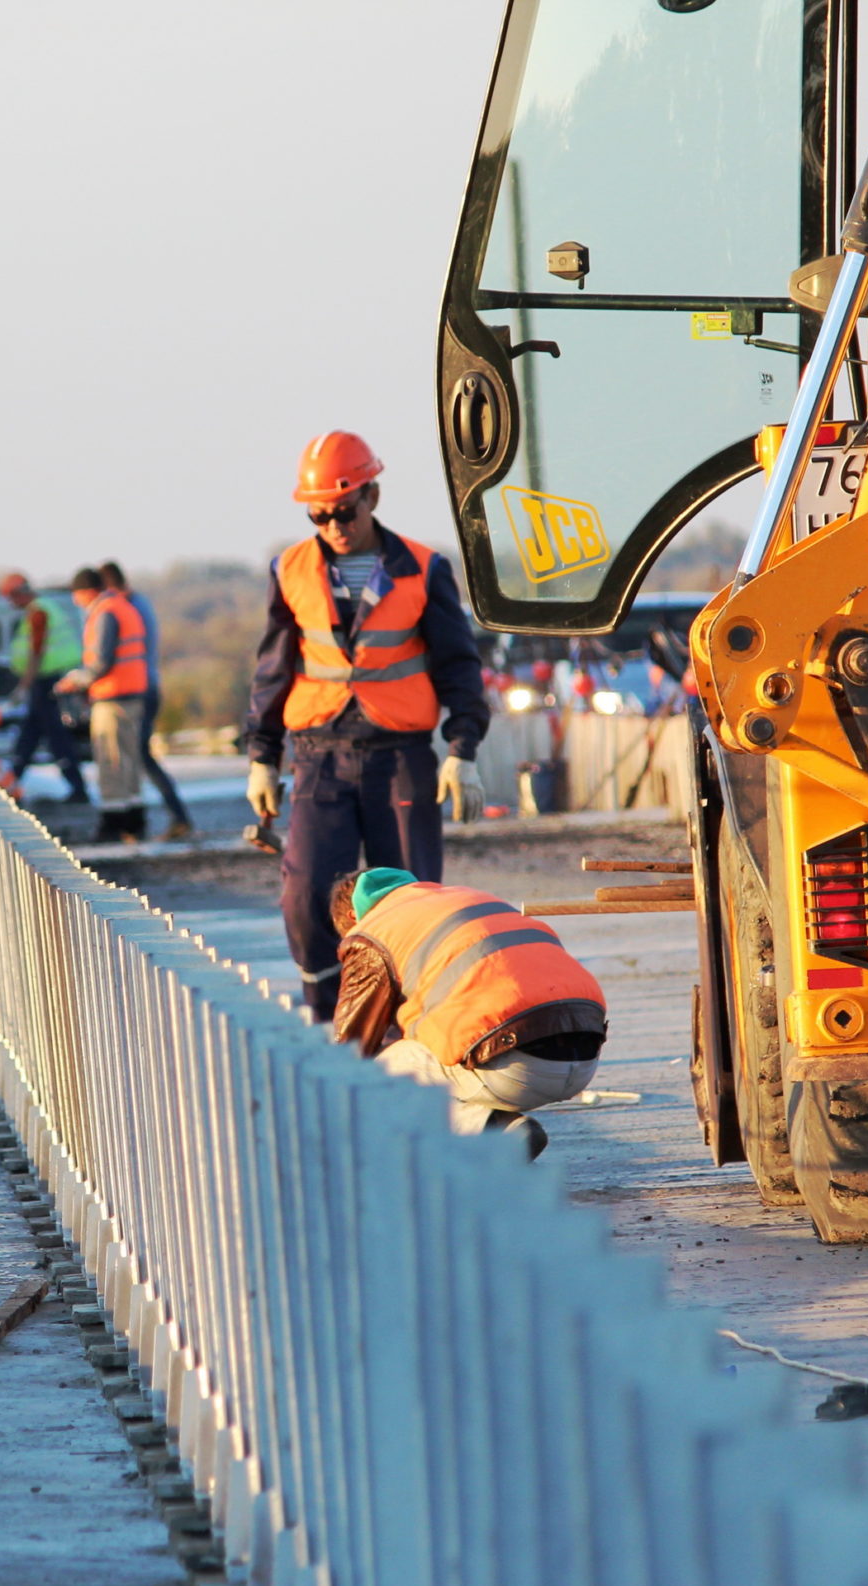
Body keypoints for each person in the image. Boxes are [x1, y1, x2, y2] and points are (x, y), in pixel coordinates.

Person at [245, 431, 493, 1018]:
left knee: (407, 898)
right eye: (319, 513)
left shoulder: (424, 568)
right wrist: (260, 755)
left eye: (344, 510)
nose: (333, 524)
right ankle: (332, 1015)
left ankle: (403, 1019)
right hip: (319, 756)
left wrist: (463, 749)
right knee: (305, 896)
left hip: (399, 759)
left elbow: (459, 664)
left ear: (372, 496)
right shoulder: (291, 570)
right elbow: (273, 668)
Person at [329, 867, 607, 1153]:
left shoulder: (372, 931)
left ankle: (493, 1131)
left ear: (353, 917)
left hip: (515, 1066)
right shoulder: (470, 899)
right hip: (586, 1056)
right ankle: (503, 1128)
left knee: (380, 1071)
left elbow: (349, 1049)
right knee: (442, 1035)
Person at [97, 561, 194, 839]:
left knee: (140, 756)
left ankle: (174, 816)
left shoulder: (127, 609)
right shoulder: (139, 604)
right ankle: (157, 819)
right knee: (139, 755)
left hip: (139, 690)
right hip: (146, 686)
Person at [55, 566, 152, 843]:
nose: (75, 601)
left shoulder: (105, 612)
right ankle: (134, 819)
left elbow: (100, 662)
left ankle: (113, 822)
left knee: (110, 759)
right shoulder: (124, 607)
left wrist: (76, 681)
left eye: (76, 594)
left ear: (86, 591)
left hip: (112, 697)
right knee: (129, 760)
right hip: (132, 693)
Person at [0, 572, 87, 804]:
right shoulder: (42, 608)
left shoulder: (38, 612)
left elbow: (36, 652)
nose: (10, 603)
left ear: (19, 594)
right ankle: (10, 782)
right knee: (30, 735)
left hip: (48, 681)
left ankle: (77, 788)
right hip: (47, 680)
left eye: (11, 597)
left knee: (55, 735)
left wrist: (24, 685)